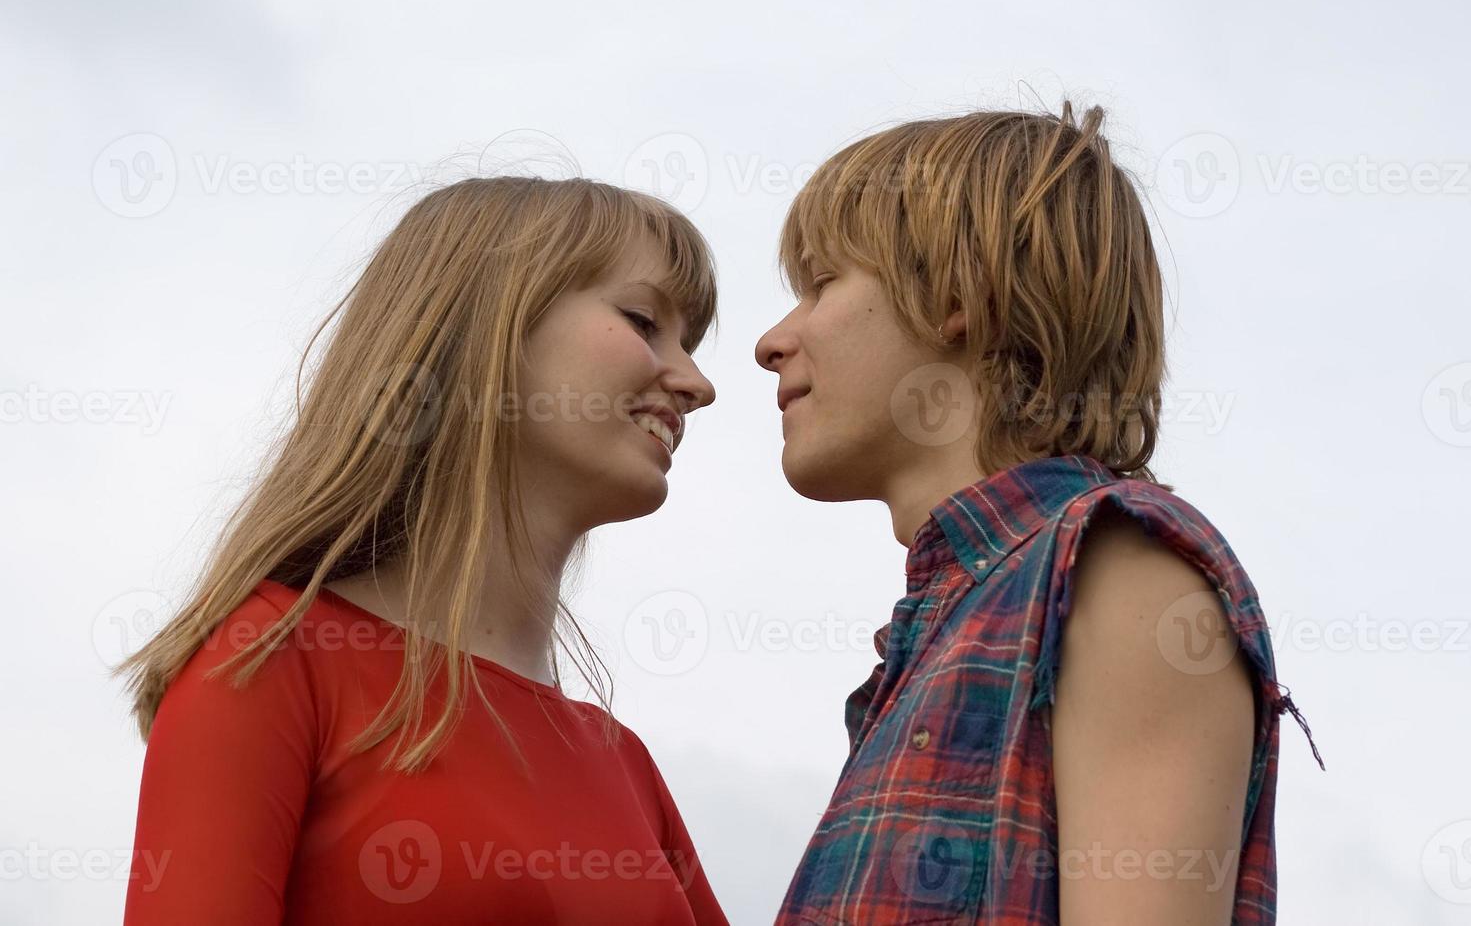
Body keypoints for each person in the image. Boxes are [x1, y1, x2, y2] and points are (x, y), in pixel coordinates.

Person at [754, 103, 1321, 924]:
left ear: (954, 294)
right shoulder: (948, 625)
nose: (773, 339)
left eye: (821, 285)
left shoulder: (1117, 569)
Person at [115, 176, 729, 925]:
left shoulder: (624, 764)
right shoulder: (268, 658)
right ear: (482, 327)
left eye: (690, 344)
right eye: (643, 320)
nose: (697, 384)